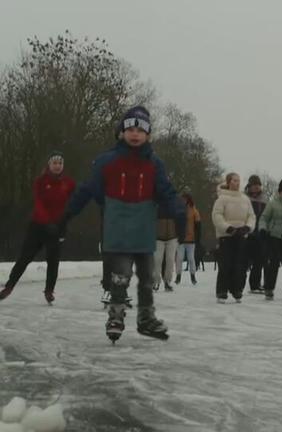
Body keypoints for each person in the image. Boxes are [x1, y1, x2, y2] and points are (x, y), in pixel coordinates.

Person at [64, 106, 185, 342]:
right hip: (118, 226)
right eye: (130, 128)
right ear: (121, 132)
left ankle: (146, 318)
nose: (135, 133)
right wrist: (68, 213)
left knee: (147, 276)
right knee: (120, 274)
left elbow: (167, 193)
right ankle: (116, 316)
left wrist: (180, 215)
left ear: (148, 135)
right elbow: (90, 189)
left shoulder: (155, 164)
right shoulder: (107, 161)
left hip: (143, 227)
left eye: (142, 129)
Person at [0, 151, 76, 304]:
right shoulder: (40, 181)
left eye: (60, 163)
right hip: (38, 226)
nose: (57, 166)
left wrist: (65, 219)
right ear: (49, 165)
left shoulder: (69, 183)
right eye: (54, 163)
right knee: (24, 258)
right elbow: (38, 203)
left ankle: (49, 290)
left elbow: (73, 203)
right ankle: (8, 287)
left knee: (53, 261)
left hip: (58, 227)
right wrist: (46, 222)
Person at [212, 173, 256, 303]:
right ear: (229, 182)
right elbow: (217, 216)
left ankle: (237, 290)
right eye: (234, 181)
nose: (237, 183)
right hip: (227, 236)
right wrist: (228, 228)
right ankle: (222, 291)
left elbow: (251, 215)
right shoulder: (221, 198)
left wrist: (248, 227)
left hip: (241, 235)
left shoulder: (245, 199)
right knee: (226, 264)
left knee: (240, 265)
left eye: (238, 180)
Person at [245, 175, 268, 294]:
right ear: (249, 186)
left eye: (258, 185)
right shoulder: (244, 198)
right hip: (247, 232)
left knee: (260, 259)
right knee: (243, 260)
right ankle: (236, 283)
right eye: (254, 185)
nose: (256, 188)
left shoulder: (264, 199)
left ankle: (255, 284)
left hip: (260, 232)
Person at [154, 200, 182, 292]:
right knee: (157, 260)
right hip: (158, 238)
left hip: (172, 237)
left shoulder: (175, 206)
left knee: (170, 260)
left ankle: (167, 282)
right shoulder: (155, 205)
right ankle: (156, 281)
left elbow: (181, 220)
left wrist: (180, 234)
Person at [175, 191, 201, 286]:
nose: (183, 201)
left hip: (191, 238)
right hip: (180, 238)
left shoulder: (194, 211)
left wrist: (197, 238)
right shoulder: (178, 210)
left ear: (188, 199)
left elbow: (198, 225)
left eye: (185, 199)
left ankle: (193, 276)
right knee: (179, 258)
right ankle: (178, 276)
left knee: (191, 258)